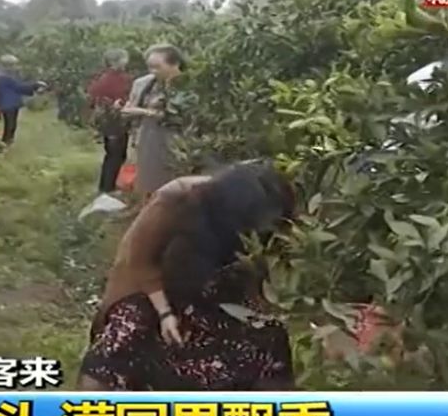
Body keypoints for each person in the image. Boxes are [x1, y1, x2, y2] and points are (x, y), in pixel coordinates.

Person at [79, 163, 298, 391]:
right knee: (128, 334)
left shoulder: (272, 215)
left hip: (225, 294)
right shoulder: (177, 200)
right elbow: (141, 262)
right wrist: (164, 313)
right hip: (162, 288)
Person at [120, 44, 193, 198]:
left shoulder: (188, 86)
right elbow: (134, 106)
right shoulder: (145, 84)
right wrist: (127, 111)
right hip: (148, 139)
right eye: (150, 67)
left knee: (174, 185)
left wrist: (144, 112)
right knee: (148, 183)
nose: (153, 71)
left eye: (157, 67)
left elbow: (181, 116)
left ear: (175, 64)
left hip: (176, 141)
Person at [87, 48, 135, 195]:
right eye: (124, 58)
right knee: (116, 155)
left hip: (110, 122)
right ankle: (108, 188)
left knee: (115, 154)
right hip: (115, 122)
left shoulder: (103, 77)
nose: (126, 61)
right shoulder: (117, 79)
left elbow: (92, 97)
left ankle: (108, 185)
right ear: (117, 61)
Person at [0, 54, 45, 145]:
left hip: (11, 104)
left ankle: (7, 142)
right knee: (10, 125)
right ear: (8, 66)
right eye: (14, 65)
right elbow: (19, 87)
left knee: (11, 125)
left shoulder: (7, 76)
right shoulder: (4, 77)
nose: (16, 67)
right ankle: (5, 143)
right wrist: (35, 85)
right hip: (8, 104)